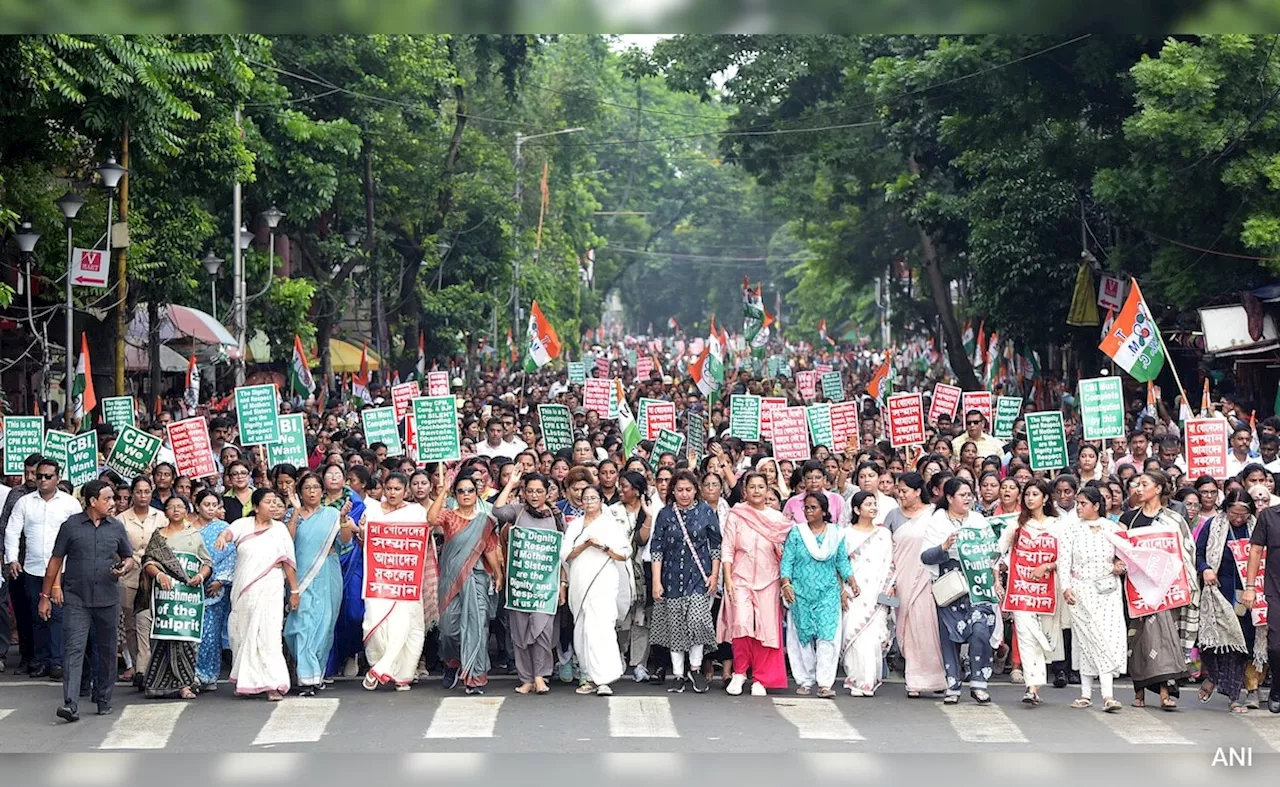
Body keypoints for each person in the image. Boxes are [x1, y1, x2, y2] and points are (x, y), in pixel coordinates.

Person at [40, 480, 134, 722]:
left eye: (113, 499)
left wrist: (123, 568)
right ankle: (70, 704)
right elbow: (55, 561)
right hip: (76, 599)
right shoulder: (70, 526)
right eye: (108, 499)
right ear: (93, 501)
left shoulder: (116, 527)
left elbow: (129, 557)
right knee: (73, 649)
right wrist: (46, 596)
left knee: (106, 650)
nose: (113, 503)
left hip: (107, 598)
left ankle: (103, 699)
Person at [1120, 470, 1199, 710]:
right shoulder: (1129, 518)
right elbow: (1119, 551)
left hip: (1166, 589)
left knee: (1165, 638)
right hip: (1137, 590)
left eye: (1145, 484)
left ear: (1159, 489)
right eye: (1137, 485)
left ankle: (1166, 692)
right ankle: (1139, 691)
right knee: (1139, 640)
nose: (1139, 489)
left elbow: (1186, 552)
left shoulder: (1174, 520)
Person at [922, 476, 1001, 704]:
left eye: (969, 494)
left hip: (978, 586)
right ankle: (953, 684)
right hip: (950, 588)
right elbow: (925, 556)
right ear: (949, 497)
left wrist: (996, 580)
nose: (967, 499)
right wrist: (944, 547)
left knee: (980, 630)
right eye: (962, 495)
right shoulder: (937, 522)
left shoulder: (978, 521)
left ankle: (979, 683)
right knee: (949, 636)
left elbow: (993, 554)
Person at [215, 488, 298, 701]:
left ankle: (272, 684)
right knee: (242, 633)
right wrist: (223, 537)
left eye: (275, 502)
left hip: (270, 586)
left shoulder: (279, 530)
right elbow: (228, 533)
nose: (272, 506)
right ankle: (246, 681)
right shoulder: (243, 524)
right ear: (255, 506)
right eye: (268, 502)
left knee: (269, 635)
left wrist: (294, 591)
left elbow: (288, 562)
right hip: (244, 590)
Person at [429, 465, 504, 695]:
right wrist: (444, 491)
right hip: (451, 580)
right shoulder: (450, 516)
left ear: (476, 493)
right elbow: (431, 518)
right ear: (456, 494)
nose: (465, 495)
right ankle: (453, 661)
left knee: (476, 626)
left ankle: (474, 677)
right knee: (449, 629)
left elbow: (490, 548)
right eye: (460, 491)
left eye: (470, 490)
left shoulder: (484, 520)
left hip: (478, 577)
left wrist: (498, 575)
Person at [6, 458, 82, 681]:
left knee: (58, 616)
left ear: (57, 478)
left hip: (63, 571)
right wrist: (12, 559)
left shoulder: (69, 503)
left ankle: (57, 662)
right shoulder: (25, 502)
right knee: (37, 616)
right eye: (39, 476)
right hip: (33, 568)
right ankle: (40, 661)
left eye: (48, 476)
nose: (42, 480)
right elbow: (12, 531)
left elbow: (78, 534)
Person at [718, 472, 791, 696]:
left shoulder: (777, 519)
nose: (757, 491)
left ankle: (760, 677)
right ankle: (740, 672)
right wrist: (728, 579)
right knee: (741, 623)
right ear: (745, 490)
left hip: (769, 579)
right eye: (752, 487)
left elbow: (787, 551)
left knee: (765, 628)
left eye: (761, 487)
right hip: (740, 577)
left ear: (767, 489)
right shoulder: (736, 514)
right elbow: (728, 548)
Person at [650, 469, 722, 694]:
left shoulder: (706, 512)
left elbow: (716, 546)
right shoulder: (665, 514)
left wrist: (714, 575)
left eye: (688, 490)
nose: (684, 494)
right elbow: (656, 549)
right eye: (679, 490)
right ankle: (679, 674)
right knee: (676, 627)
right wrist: (656, 581)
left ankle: (696, 668)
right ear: (673, 490)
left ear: (695, 490)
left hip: (699, 578)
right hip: (670, 578)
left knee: (698, 623)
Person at [494, 472, 565, 695]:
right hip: (520, 584)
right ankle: (525, 678)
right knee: (520, 631)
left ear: (548, 493)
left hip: (545, 585)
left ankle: (540, 676)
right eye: (530, 491)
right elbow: (496, 510)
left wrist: (562, 583)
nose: (534, 495)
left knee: (543, 630)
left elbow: (561, 552)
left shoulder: (556, 516)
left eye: (539, 491)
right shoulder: (517, 511)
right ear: (524, 493)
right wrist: (511, 485)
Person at [360, 472, 428, 691]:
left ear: (405, 491)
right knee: (373, 622)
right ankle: (382, 663)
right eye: (389, 489)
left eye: (397, 489)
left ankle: (395, 671)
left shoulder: (415, 512)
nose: (392, 493)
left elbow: (419, 540)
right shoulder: (372, 510)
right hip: (378, 577)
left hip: (405, 578)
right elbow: (366, 537)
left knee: (404, 623)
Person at [1060, 487, 1126, 712]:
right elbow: (1063, 561)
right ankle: (1085, 693)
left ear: (1096, 506)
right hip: (1080, 589)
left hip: (1107, 589)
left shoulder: (1112, 528)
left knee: (1106, 638)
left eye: (1083, 503)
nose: (1079, 507)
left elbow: (1125, 555)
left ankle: (1108, 695)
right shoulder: (1071, 529)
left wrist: (1119, 566)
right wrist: (1065, 587)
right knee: (1084, 640)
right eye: (1077, 503)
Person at [561, 484, 632, 695]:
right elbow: (566, 555)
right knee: (582, 628)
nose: (589, 502)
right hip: (580, 581)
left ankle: (604, 679)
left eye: (593, 498)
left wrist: (603, 546)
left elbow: (624, 553)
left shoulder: (610, 525)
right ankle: (587, 676)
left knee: (600, 626)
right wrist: (584, 545)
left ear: (601, 500)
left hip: (603, 580)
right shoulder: (575, 526)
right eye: (586, 498)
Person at [140, 496, 212, 699]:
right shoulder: (159, 537)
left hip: (188, 600)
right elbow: (148, 562)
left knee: (185, 640)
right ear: (165, 512)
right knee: (164, 638)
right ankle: (158, 684)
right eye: (171, 507)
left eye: (180, 506)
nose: (176, 510)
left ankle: (185, 684)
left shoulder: (194, 535)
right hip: (164, 598)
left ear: (187, 510)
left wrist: (200, 576)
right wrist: (160, 574)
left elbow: (207, 562)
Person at [1000, 479, 1064, 706]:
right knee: (1026, 636)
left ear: (1045, 498)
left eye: (1035, 494)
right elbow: (999, 552)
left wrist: (1048, 566)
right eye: (1027, 494)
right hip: (1021, 589)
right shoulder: (1016, 524)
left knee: (1044, 637)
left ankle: (1037, 679)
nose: (1029, 498)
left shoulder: (1058, 525)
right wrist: (998, 573)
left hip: (1048, 590)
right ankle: (1031, 686)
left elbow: (1066, 558)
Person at [285, 471, 349, 696]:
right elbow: (287, 540)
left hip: (327, 573)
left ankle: (312, 676)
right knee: (298, 628)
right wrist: (293, 511)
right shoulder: (293, 515)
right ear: (300, 492)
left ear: (322, 492)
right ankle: (307, 673)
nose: (311, 492)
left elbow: (345, 541)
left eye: (315, 488)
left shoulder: (331, 514)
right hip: (300, 576)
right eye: (307, 488)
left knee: (323, 624)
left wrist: (343, 522)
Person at [781, 491, 850, 698]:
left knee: (827, 636)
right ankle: (804, 680)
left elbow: (842, 561)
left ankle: (824, 684)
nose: (808, 512)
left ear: (824, 510)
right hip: (801, 591)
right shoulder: (797, 533)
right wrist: (786, 583)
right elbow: (787, 560)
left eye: (813, 508)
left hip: (828, 591)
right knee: (801, 636)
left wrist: (851, 582)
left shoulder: (836, 533)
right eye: (806, 508)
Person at [1194, 490, 1257, 713]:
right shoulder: (1213, 525)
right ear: (1225, 510)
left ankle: (1233, 696)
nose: (1238, 519)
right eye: (1233, 514)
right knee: (1213, 644)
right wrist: (1206, 569)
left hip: (1246, 594)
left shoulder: (1257, 527)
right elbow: (1198, 554)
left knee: (1239, 645)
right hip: (1218, 592)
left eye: (1243, 514)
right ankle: (1213, 676)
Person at [887, 472, 947, 696]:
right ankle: (914, 680)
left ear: (918, 491)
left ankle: (936, 679)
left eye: (904, 491)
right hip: (901, 579)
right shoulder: (892, 516)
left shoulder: (935, 515)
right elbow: (886, 550)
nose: (899, 495)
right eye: (898, 491)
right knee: (907, 629)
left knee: (928, 627)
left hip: (928, 579)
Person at [840, 490, 895, 696]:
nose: (873, 507)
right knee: (854, 635)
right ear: (856, 509)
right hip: (853, 591)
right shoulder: (845, 533)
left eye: (874, 504)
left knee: (873, 638)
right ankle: (856, 679)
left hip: (877, 591)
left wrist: (890, 587)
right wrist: (841, 590)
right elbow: (839, 564)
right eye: (868, 504)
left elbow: (890, 563)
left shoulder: (883, 534)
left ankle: (868, 682)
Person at [194, 490, 235, 692]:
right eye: (206, 505)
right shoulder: (188, 528)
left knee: (210, 634)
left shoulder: (224, 529)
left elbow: (231, 556)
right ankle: (191, 674)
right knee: (194, 633)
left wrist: (220, 580)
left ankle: (208, 675)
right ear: (197, 506)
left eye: (214, 505)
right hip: (191, 587)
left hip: (215, 590)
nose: (210, 509)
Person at [1243, 491, 1280, 713]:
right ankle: (1277, 688)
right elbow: (1256, 550)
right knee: (1276, 645)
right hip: (1276, 589)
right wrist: (1250, 588)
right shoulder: (1269, 516)